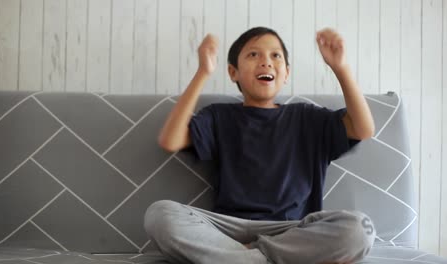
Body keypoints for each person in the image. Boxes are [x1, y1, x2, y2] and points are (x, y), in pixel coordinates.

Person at [144, 27, 376, 264]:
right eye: (253, 55)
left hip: (292, 230)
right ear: (233, 72)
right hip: (228, 230)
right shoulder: (219, 116)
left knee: (360, 229)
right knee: (159, 214)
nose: (266, 62)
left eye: (275, 55)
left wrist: (341, 68)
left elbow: (363, 129)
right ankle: (258, 258)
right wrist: (203, 72)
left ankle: (246, 256)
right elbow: (170, 139)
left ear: (286, 73)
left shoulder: (308, 117)